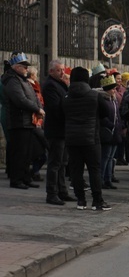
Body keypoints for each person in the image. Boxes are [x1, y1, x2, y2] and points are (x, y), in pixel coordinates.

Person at [63, 67, 111, 211]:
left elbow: (61, 114)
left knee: (76, 170)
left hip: (72, 139)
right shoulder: (94, 96)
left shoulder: (66, 97)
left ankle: (80, 201)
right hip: (91, 138)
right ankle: (97, 201)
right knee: (94, 169)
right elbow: (106, 112)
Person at [2, 52, 44, 189]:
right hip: (18, 121)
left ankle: (26, 177)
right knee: (19, 153)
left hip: (27, 121)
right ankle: (17, 179)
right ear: (16, 67)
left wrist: (38, 107)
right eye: (24, 66)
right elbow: (20, 100)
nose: (26, 69)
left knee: (27, 153)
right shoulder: (12, 80)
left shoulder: (23, 80)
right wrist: (37, 109)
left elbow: (33, 97)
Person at [42, 59, 75, 204]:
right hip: (56, 129)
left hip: (63, 129)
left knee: (63, 162)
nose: (62, 72)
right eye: (59, 70)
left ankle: (62, 191)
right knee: (55, 163)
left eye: (63, 69)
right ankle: (52, 193)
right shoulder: (50, 86)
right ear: (51, 71)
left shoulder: (61, 84)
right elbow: (56, 108)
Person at [99, 75, 121, 190]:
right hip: (107, 132)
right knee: (105, 157)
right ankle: (101, 179)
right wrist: (110, 124)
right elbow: (102, 117)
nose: (114, 90)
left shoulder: (114, 100)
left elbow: (118, 115)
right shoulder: (103, 100)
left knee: (111, 158)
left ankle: (108, 179)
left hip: (115, 132)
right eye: (112, 88)